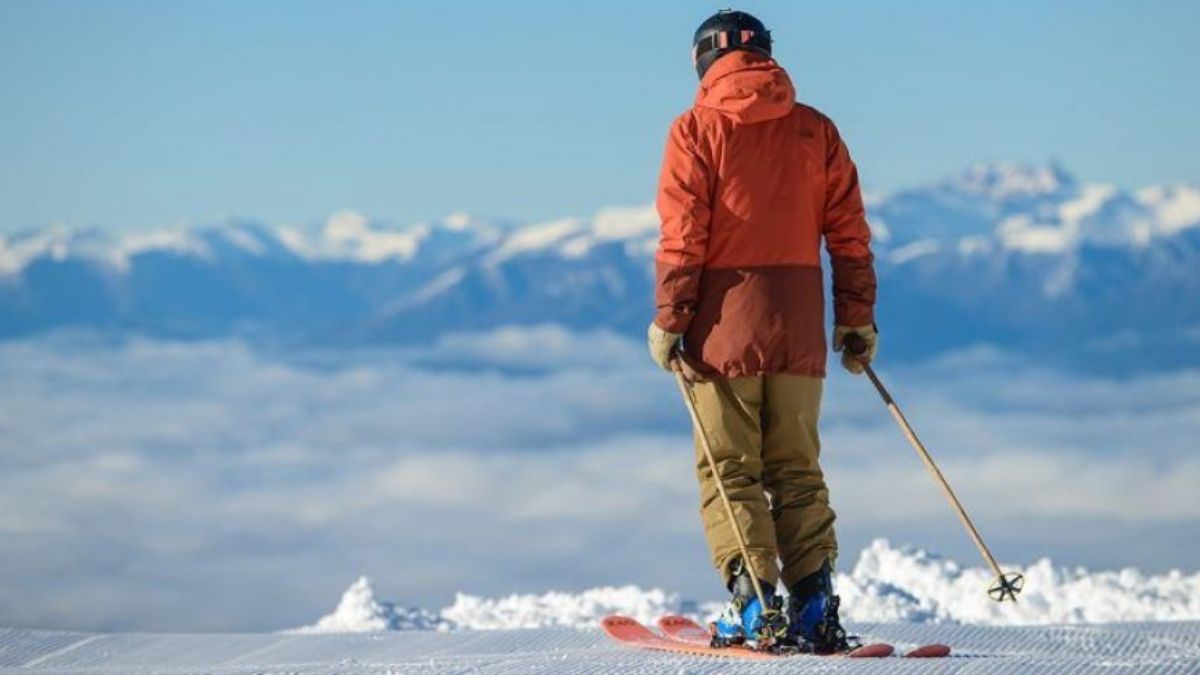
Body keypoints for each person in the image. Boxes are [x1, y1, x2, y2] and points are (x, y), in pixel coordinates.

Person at [646, 9, 879, 653]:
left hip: (722, 326)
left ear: (701, 62)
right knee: (798, 469)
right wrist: (855, 318)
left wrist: (671, 320)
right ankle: (814, 605)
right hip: (800, 322)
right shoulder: (816, 131)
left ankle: (756, 608)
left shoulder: (694, 131)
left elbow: (684, 236)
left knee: (730, 469)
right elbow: (849, 233)